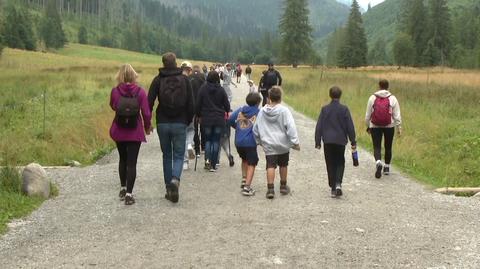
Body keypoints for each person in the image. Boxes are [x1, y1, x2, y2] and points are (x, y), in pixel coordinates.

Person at [148, 52, 194, 203]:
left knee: (167, 155)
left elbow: (149, 102)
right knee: (179, 155)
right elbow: (191, 104)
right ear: (176, 63)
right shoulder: (185, 80)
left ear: (163, 63)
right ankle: (175, 180)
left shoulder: (158, 80)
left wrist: (147, 122)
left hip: (162, 122)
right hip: (180, 122)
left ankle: (169, 189)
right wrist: (187, 121)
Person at [109, 64, 152, 205]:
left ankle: (122, 187)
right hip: (135, 131)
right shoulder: (140, 92)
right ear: (134, 76)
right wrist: (147, 127)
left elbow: (113, 106)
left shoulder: (115, 91)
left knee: (123, 159)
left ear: (120, 76)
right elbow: (146, 112)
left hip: (119, 130)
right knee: (132, 163)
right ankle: (129, 194)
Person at [253, 86, 300, 199]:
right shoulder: (284, 111)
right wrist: (295, 142)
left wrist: (258, 141)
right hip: (283, 144)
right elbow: (291, 126)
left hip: (268, 144)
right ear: (280, 98)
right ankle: (283, 186)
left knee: (270, 165)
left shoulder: (262, 111)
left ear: (269, 98)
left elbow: (256, 128)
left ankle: (270, 190)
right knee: (283, 164)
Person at [315, 86, 357, 198]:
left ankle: (333, 187)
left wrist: (318, 141)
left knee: (330, 163)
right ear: (340, 95)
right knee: (340, 162)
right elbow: (350, 126)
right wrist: (353, 140)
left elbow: (319, 126)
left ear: (330, 95)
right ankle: (338, 183)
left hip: (328, 141)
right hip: (340, 140)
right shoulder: (344, 109)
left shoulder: (325, 109)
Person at [365, 79, 402, 178]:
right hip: (389, 126)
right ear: (388, 86)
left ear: (379, 86)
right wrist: (399, 127)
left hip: (375, 125)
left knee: (376, 146)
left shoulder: (372, 98)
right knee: (388, 146)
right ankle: (386, 167)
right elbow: (396, 114)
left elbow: (368, 114)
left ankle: (378, 162)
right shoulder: (393, 98)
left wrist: (368, 125)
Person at [196, 71, 231, 172]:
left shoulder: (203, 89)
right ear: (217, 79)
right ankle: (213, 164)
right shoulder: (221, 90)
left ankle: (207, 161)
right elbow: (227, 105)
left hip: (206, 118)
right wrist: (227, 111)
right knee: (216, 141)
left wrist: (198, 115)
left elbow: (198, 104)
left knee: (207, 141)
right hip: (219, 119)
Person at [228, 92, 262, 196]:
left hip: (238, 142)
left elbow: (229, 119)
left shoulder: (241, 109)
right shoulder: (258, 112)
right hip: (250, 142)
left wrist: (237, 127)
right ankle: (247, 187)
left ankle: (244, 179)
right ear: (258, 103)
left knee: (244, 159)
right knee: (252, 163)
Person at [181, 61, 196, 170]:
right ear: (190, 70)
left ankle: (185, 161)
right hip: (191, 111)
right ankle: (190, 144)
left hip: (179, 113)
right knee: (191, 131)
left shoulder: (177, 80)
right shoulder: (194, 80)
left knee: (182, 136)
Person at [190, 65, 207, 156]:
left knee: (194, 128)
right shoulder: (203, 77)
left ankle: (196, 149)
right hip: (202, 106)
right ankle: (203, 147)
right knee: (203, 128)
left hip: (192, 106)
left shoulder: (189, 78)